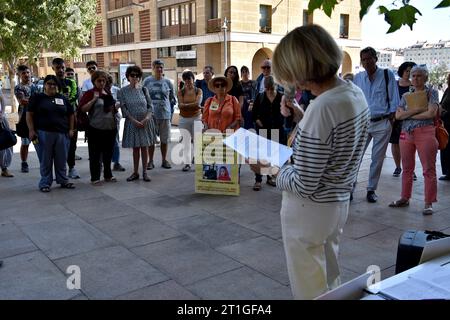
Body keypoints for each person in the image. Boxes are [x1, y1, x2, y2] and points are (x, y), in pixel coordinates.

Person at [251, 25, 369, 299]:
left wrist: (267, 167)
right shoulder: (352, 93)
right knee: (330, 277)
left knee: (309, 287)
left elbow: (304, 184)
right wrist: (301, 116)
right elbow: (335, 138)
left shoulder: (322, 107)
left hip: (309, 210)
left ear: (300, 69)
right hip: (336, 203)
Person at [389, 66, 440, 215]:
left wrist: (407, 114)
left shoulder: (432, 92)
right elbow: (398, 116)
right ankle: (405, 197)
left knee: (428, 169)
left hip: (426, 132)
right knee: (407, 168)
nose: (415, 78)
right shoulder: (406, 96)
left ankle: (428, 202)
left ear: (425, 78)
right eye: (413, 76)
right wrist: (418, 110)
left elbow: (430, 113)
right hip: (407, 133)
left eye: (419, 76)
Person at [354, 47, 400, 203]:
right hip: (362, 123)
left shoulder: (387, 75)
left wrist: (391, 122)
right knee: (356, 157)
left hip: (382, 122)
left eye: (369, 58)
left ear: (376, 58)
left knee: (377, 158)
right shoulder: (358, 78)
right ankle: (350, 187)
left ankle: (371, 189)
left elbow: (394, 100)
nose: (366, 62)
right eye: (364, 59)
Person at [26, 75, 76, 192]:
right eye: (49, 83)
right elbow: (29, 114)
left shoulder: (62, 98)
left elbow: (71, 114)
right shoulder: (37, 98)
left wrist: (71, 129)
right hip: (43, 134)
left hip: (62, 134)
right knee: (45, 160)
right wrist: (31, 130)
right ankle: (45, 183)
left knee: (61, 159)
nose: (52, 86)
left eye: (54, 84)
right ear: (44, 85)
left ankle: (63, 180)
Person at [118, 66, 156, 182]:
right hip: (132, 123)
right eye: (132, 75)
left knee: (144, 147)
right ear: (128, 77)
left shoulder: (144, 90)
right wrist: (134, 121)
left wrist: (145, 119)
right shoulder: (122, 91)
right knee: (135, 149)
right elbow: (124, 109)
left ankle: (144, 172)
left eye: (137, 75)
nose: (135, 77)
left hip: (145, 122)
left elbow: (150, 107)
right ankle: (135, 172)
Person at [79, 70, 118, 185]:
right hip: (95, 128)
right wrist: (94, 100)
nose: (101, 83)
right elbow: (83, 109)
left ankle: (108, 175)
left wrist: (115, 107)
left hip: (110, 128)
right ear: (94, 81)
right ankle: (95, 178)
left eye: (103, 80)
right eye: (99, 81)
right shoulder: (90, 93)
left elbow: (111, 110)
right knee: (95, 154)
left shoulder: (107, 92)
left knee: (108, 154)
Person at [251, 76, 285, 191]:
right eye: (267, 89)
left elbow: (287, 113)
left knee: (273, 156)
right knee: (261, 156)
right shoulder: (260, 97)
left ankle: (270, 177)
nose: (269, 91)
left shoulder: (281, 97)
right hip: (263, 130)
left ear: (276, 86)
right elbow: (254, 113)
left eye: (272, 89)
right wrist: (257, 120)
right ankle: (258, 180)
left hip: (277, 129)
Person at [143, 59, 177, 169]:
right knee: (151, 140)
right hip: (151, 115)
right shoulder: (147, 81)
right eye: (157, 67)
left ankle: (164, 160)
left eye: (161, 67)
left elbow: (172, 98)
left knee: (164, 139)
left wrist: (169, 111)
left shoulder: (168, 82)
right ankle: (150, 161)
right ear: (152, 68)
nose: (159, 69)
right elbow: (142, 97)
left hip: (165, 115)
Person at [51, 58, 80, 180]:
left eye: (62, 67)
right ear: (53, 68)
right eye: (58, 68)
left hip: (71, 119)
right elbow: (49, 98)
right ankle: (58, 172)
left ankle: (72, 168)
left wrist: (60, 101)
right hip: (55, 120)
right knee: (56, 147)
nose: (61, 70)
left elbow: (73, 97)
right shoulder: (51, 82)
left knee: (71, 145)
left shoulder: (71, 82)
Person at [391, 62, 417, 179]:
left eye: (411, 71)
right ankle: (398, 167)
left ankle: (410, 169)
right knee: (395, 143)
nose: (408, 73)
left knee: (410, 145)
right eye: (407, 71)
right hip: (396, 118)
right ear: (402, 71)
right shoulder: (395, 84)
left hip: (410, 119)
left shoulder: (414, 86)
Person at [14, 65, 38, 173]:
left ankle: (43, 162)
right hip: (24, 118)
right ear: (19, 75)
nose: (26, 75)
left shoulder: (36, 86)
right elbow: (22, 101)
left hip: (37, 117)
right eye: (23, 73)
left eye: (28, 72)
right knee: (25, 142)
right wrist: (37, 102)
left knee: (39, 141)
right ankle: (24, 162)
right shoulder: (19, 87)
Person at [177, 70, 202, 171]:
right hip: (184, 119)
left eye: (189, 79)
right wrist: (191, 105)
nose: (188, 81)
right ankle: (187, 163)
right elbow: (180, 105)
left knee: (197, 141)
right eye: (186, 79)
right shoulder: (181, 91)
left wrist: (186, 105)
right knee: (186, 142)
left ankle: (198, 164)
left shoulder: (198, 90)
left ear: (193, 79)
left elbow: (198, 103)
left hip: (197, 117)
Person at [106, 74, 126, 172]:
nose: (108, 85)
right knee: (103, 142)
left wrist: (117, 104)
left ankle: (116, 163)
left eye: (109, 83)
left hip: (114, 118)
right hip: (102, 120)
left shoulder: (116, 90)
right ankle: (103, 163)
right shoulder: (98, 91)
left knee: (115, 141)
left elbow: (121, 101)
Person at [438, 74, 450, 180]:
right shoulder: (448, 90)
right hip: (446, 124)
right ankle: (447, 172)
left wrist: (444, 113)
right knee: (445, 147)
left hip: (447, 119)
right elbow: (441, 103)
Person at [0, 90, 14, 177]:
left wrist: (2, 114)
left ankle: (4, 168)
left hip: (1, 119)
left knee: (5, 143)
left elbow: (2, 100)